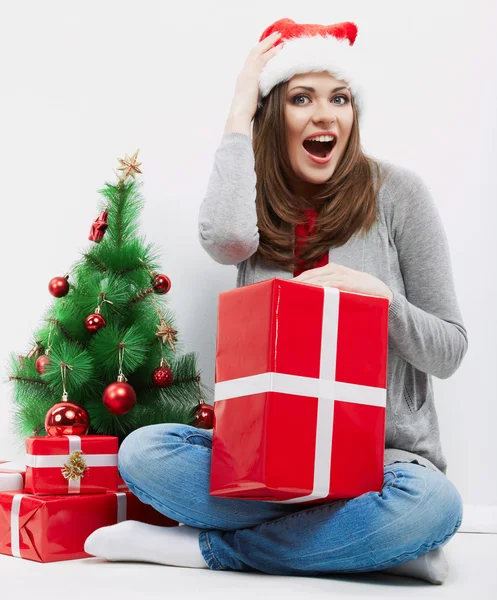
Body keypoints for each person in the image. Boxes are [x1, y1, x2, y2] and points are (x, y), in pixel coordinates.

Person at [85, 18, 467, 585]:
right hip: (261, 462)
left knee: (434, 506)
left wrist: (383, 301)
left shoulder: (398, 194)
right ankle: (367, 544)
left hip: (383, 466)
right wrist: (241, 106)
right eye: (301, 98)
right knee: (143, 452)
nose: (324, 114)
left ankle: (209, 551)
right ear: (275, 115)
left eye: (340, 98)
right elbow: (223, 239)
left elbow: (450, 350)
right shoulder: (254, 197)